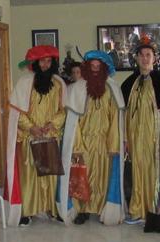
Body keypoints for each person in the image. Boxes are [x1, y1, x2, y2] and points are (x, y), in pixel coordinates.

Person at [120, 34, 160, 232]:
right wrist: (124, 138)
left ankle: (154, 210)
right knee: (137, 171)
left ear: (155, 58)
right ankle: (138, 210)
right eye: (141, 55)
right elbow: (124, 113)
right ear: (136, 59)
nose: (145, 58)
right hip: (135, 138)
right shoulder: (129, 83)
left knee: (154, 172)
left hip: (157, 140)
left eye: (148, 55)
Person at [60, 50, 125, 226]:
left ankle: (102, 208)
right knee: (84, 176)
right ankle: (83, 210)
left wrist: (113, 145)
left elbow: (115, 120)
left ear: (104, 68)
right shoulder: (77, 89)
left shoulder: (112, 89)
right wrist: (77, 146)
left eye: (99, 66)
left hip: (104, 142)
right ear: (87, 68)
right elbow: (74, 122)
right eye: (92, 66)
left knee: (104, 176)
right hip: (85, 141)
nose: (95, 69)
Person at [5, 45, 67, 227]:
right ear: (36, 63)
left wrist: (51, 125)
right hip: (29, 138)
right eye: (42, 61)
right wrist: (31, 128)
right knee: (30, 175)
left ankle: (53, 210)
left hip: (50, 136)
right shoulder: (25, 83)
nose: (45, 65)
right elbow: (17, 112)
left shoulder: (59, 84)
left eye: (49, 61)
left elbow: (62, 111)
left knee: (50, 176)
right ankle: (27, 212)